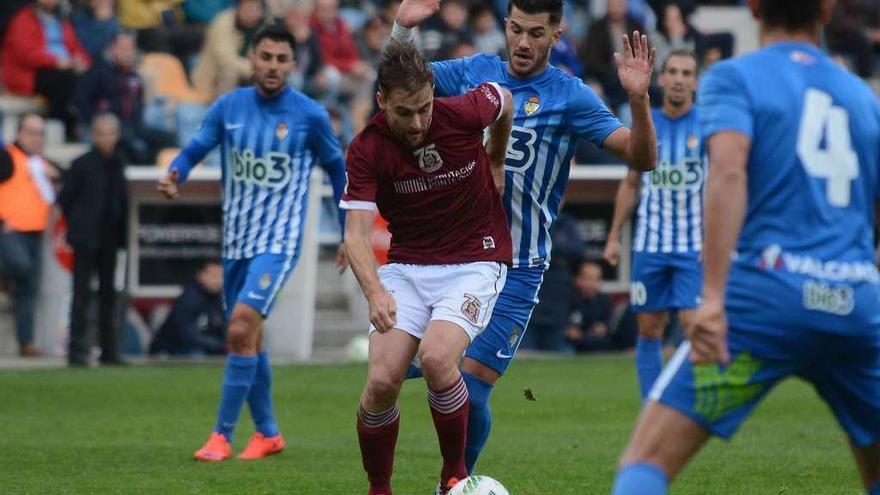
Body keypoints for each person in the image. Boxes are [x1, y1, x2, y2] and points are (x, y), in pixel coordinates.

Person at [611, 1, 880, 494]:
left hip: (763, 305)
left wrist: (712, 296)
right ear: (826, 9)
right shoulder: (862, 99)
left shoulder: (734, 78)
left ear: (753, 7)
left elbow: (729, 173)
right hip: (854, 307)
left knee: (644, 463)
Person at [393, 0, 657, 473]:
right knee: (415, 374)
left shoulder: (570, 96)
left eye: (536, 33)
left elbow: (642, 159)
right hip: (456, 260)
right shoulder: (475, 71)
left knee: (470, 392)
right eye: (516, 29)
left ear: (556, 35)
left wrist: (637, 100)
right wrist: (402, 31)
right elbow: (400, 87)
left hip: (519, 266)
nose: (522, 42)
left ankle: (455, 482)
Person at [158, 21, 348, 462]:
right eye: (266, 57)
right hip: (236, 243)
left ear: (293, 64)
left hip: (278, 243)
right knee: (251, 338)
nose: (273, 66)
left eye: (283, 59)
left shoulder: (310, 116)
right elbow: (197, 147)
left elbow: (339, 174)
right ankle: (268, 433)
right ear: (252, 59)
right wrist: (177, 174)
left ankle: (221, 436)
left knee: (240, 326)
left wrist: (346, 233)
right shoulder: (230, 107)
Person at [341, 41, 513, 494]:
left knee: (437, 358)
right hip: (408, 267)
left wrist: (496, 157)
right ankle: (380, 488)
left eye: (423, 108)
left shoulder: (465, 111)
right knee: (380, 381)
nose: (416, 122)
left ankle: (453, 475)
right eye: (403, 113)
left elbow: (506, 100)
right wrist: (376, 292)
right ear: (382, 102)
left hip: (476, 258)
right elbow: (355, 236)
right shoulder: (366, 149)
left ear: (433, 94)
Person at [603, 49, 704, 399]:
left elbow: (723, 186)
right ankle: (653, 406)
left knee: (695, 328)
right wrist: (614, 236)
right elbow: (631, 183)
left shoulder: (707, 127)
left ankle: (686, 404)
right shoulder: (647, 123)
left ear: (695, 81)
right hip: (650, 245)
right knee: (649, 329)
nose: (678, 79)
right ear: (661, 79)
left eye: (686, 73)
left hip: (694, 247)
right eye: (672, 71)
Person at [57, 114, 129, 367]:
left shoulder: (119, 164)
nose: (106, 138)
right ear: (94, 135)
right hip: (86, 238)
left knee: (109, 296)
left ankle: (109, 351)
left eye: (111, 133)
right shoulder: (81, 165)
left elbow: (121, 202)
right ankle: (76, 351)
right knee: (81, 294)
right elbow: (65, 200)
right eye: (102, 132)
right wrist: (79, 225)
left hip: (110, 239)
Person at [0, 114, 60, 358]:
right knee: (21, 268)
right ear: (19, 132)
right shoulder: (6, 157)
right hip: (10, 230)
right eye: (31, 132)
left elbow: (66, 175)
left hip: (35, 233)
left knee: (28, 290)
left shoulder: (42, 163)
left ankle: (26, 342)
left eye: (40, 133)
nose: (37, 138)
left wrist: (55, 174)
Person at [74, 31, 178, 164]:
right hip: (110, 127)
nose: (128, 53)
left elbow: (139, 102)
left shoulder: (134, 75)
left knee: (168, 139)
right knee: (132, 145)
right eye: (123, 48)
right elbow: (81, 100)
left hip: (135, 126)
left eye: (131, 48)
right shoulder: (97, 72)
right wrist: (95, 121)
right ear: (112, 49)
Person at [1, 0, 91, 140]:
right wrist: (55, 61)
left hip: (64, 70)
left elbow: (76, 47)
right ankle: (61, 120)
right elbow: (25, 54)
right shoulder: (23, 19)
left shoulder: (62, 20)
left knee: (91, 75)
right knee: (64, 79)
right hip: (31, 73)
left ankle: (75, 121)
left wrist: (81, 61)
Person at [192, 0, 267, 100]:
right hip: (214, 79)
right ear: (238, 8)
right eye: (247, 8)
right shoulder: (223, 21)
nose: (251, 13)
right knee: (229, 73)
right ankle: (223, 112)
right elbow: (226, 60)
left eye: (255, 8)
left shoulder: (265, 26)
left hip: (249, 77)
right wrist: (258, 69)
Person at [149, 260, 226, 356]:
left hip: (203, 345)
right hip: (173, 348)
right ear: (201, 275)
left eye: (221, 276)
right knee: (197, 354)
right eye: (213, 276)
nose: (218, 280)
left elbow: (222, 326)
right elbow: (187, 336)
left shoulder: (218, 299)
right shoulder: (189, 299)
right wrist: (219, 345)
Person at [565, 260, 616, 352]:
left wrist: (582, 334)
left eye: (597, 279)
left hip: (596, 346)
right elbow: (570, 333)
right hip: (569, 346)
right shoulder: (568, 298)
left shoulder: (604, 301)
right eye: (589, 278)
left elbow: (604, 330)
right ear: (578, 279)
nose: (593, 283)